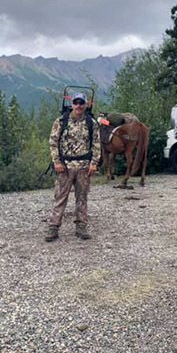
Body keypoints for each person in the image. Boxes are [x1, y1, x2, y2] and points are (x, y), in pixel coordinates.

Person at [45, 92, 101, 242]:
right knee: (60, 197)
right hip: (65, 166)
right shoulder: (61, 121)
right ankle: (53, 227)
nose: (78, 105)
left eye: (81, 102)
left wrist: (94, 163)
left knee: (82, 197)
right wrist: (56, 161)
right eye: (75, 102)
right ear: (72, 104)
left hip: (84, 166)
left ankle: (81, 226)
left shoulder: (91, 123)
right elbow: (53, 142)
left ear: (86, 104)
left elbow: (96, 144)